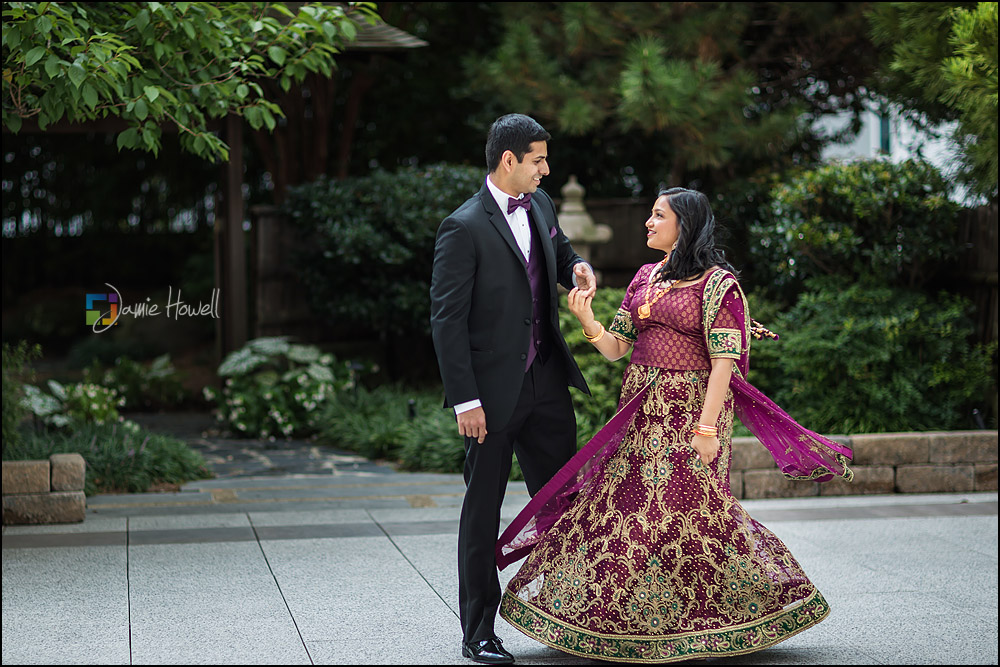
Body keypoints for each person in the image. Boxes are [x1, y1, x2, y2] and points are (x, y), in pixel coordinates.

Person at [494, 187, 854, 663]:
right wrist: (587, 321)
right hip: (640, 410)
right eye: (649, 214)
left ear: (684, 225)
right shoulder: (645, 276)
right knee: (628, 510)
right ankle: (629, 622)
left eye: (658, 215)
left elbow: (725, 361)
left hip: (691, 412)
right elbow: (618, 348)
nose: (647, 222)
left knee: (692, 513)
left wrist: (707, 430)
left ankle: (729, 617)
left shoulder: (718, 285)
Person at [430, 113, 598, 665]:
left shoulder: (542, 206)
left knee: (564, 504)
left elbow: (559, 249)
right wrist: (466, 399)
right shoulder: (463, 227)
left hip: (546, 383)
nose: (546, 171)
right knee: (482, 511)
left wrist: (577, 268)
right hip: (490, 398)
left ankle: (578, 615)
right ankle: (478, 630)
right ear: (509, 161)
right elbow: (447, 321)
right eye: (538, 160)